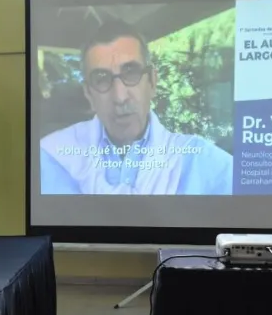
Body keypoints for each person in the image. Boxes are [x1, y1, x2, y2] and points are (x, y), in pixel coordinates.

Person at [40, 18, 233, 195]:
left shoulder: (200, 161)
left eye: (131, 73)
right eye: (101, 79)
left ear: (152, 82)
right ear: (88, 93)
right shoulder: (53, 156)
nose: (120, 97)